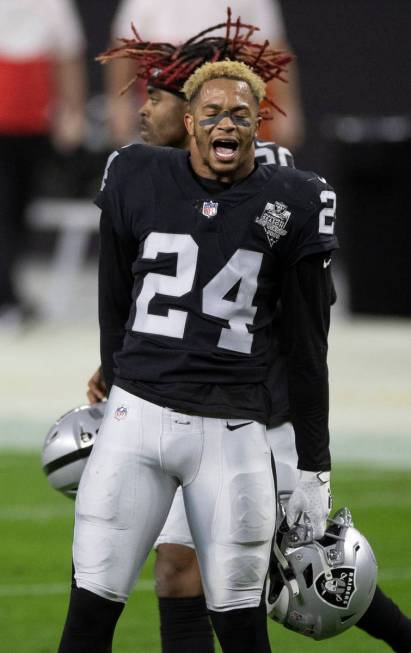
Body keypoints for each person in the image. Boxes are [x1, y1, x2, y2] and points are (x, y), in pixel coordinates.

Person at [88, 17, 411, 653]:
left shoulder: (272, 181)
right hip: (184, 405)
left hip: (256, 412)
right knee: (178, 571)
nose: (144, 108)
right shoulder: (153, 176)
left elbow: (304, 314)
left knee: (310, 568)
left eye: (156, 95)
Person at [57, 46, 339, 650]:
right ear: (189, 120)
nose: (225, 124)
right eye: (211, 112)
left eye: (240, 114)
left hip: (232, 433)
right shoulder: (134, 172)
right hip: (138, 418)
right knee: (88, 611)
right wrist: (114, 370)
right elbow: (115, 295)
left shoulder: (292, 197)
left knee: (240, 626)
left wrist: (315, 463)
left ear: (258, 122)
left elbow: (308, 344)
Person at [106, 0, 304, 150]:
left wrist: (287, 107)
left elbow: (274, 46)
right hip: (169, 90)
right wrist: (119, 103)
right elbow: (124, 47)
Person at [0, 0, 86, 326]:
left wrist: (72, 112)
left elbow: (67, 56)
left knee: (18, 211)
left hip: (31, 120)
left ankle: (7, 292)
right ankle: (5, 294)